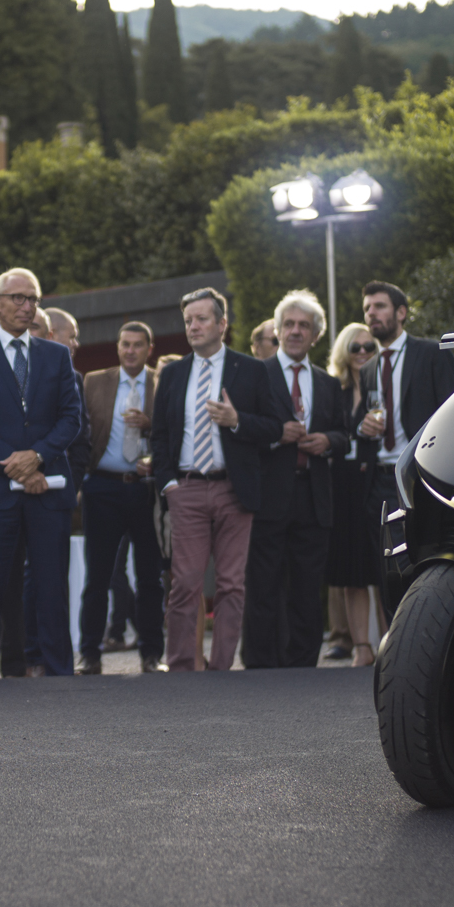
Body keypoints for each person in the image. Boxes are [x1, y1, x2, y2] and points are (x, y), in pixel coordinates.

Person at [0, 269, 80, 678]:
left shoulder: (56, 355)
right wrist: (15, 463)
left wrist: (37, 457)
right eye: (19, 298)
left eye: (33, 299)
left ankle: (59, 674)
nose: (27, 307)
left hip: (47, 490)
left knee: (52, 590)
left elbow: (71, 418)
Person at [151, 286, 281, 672]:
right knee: (185, 583)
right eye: (188, 320)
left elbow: (274, 427)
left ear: (222, 324)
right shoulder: (172, 374)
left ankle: (222, 669)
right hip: (187, 489)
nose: (193, 326)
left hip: (234, 490)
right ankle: (181, 667)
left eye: (201, 319)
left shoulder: (252, 370)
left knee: (231, 584)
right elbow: (159, 435)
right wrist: (168, 484)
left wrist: (237, 420)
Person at [244, 291, 349, 669]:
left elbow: (344, 434)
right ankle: (260, 663)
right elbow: (242, 430)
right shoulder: (256, 374)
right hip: (268, 495)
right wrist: (276, 434)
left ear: (316, 335)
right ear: (277, 330)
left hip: (313, 496)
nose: (295, 331)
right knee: (264, 584)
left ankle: (304, 665)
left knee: (306, 586)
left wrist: (328, 441)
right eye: (288, 324)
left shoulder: (328, 383)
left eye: (304, 325)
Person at [355, 281, 454, 617]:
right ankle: (395, 640)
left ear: (401, 312)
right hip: (379, 483)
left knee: (426, 567)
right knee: (388, 574)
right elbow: (363, 420)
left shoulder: (431, 353)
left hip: (420, 479)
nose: (371, 313)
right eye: (367, 308)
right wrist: (362, 428)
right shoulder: (367, 369)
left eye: (379, 306)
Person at [78, 321, 164, 674]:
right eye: (124, 344)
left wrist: (150, 426)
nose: (130, 350)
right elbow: (80, 431)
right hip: (102, 488)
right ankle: (90, 654)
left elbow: (175, 432)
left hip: (146, 490)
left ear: (149, 349)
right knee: (98, 577)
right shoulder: (94, 381)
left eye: (137, 345)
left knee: (149, 577)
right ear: (117, 347)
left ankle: (151, 655)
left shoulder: (163, 382)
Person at [324, 323, 382, 667]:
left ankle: (392, 645)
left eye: (368, 346)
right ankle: (361, 647)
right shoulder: (335, 390)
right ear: (344, 352)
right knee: (351, 570)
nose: (362, 353)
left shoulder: (384, 387)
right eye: (355, 347)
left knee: (383, 570)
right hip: (342, 484)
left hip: (375, 480)